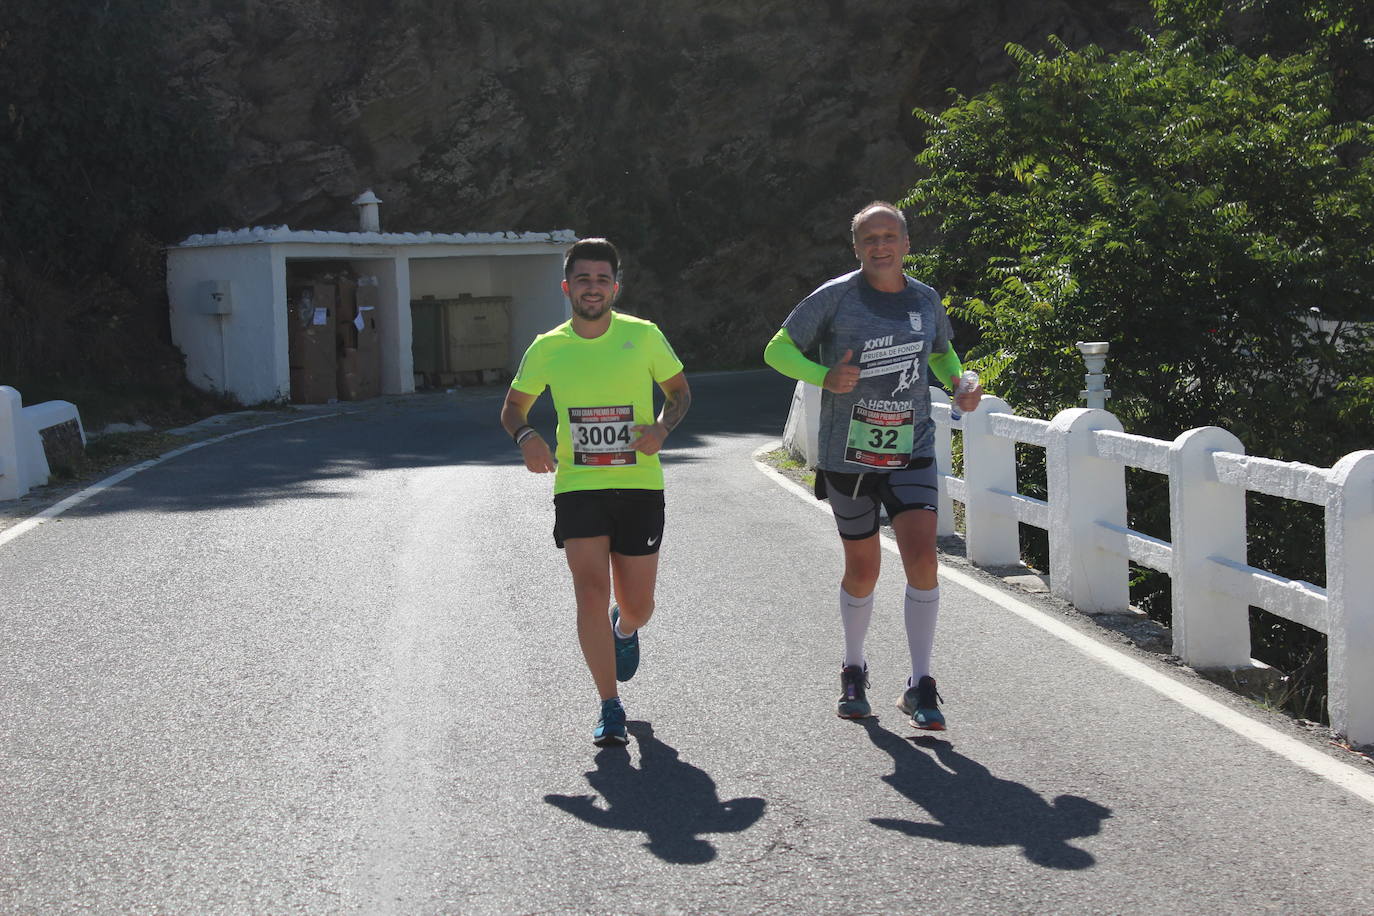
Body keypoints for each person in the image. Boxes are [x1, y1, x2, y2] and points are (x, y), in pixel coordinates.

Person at [763, 201, 981, 729]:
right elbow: (776, 350)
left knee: (923, 557)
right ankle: (854, 668)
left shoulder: (925, 299)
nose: (880, 247)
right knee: (863, 569)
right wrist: (823, 376)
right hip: (849, 454)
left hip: (912, 448)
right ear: (856, 248)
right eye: (869, 239)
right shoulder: (835, 297)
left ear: (906, 244)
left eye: (889, 237)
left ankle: (921, 682)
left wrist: (960, 381)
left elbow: (940, 353)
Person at [501, 238, 691, 747]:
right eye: (583, 279)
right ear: (567, 287)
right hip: (579, 486)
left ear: (615, 286)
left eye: (602, 279)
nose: (593, 287)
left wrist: (662, 429)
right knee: (588, 589)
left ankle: (625, 629)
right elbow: (513, 409)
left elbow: (679, 392)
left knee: (639, 605)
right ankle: (609, 706)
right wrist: (527, 436)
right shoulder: (548, 347)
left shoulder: (644, 336)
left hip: (638, 486)